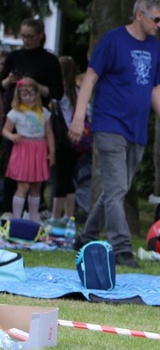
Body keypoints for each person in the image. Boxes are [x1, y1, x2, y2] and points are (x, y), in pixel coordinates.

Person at [68, 0, 160, 268]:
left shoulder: (153, 46)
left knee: (116, 189)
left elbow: (154, 89)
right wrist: (79, 117)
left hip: (137, 129)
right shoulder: (112, 40)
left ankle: (87, 236)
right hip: (109, 125)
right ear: (139, 16)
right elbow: (90, 77)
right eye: (156, 19)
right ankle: (122, 249)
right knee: (117, 191)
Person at [0, 19, 63, 216]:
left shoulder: (50, 61)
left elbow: (57, 93)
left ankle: (34, 210)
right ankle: (9, 210)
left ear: (40, 35)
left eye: (30, 36)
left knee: (36, 170)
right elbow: (1, 84)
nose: (26, 40)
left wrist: (35, 85)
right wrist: (9, 81)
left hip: (37, 119)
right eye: (23, 36)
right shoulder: (14, 56)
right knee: (13, 166)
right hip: (16, 116)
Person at [1, 79, 55, 221]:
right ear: (19, 96)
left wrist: (52, 152)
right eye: (25, 95)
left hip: (39, 150)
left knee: (36, 186)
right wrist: (12, 136)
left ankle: (33, 218)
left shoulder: (44, 112)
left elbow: (49, 132)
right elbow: (5, 130)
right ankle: (17, 219)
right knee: (23, 185)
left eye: (31, 95)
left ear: (37, 94)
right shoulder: (15, 113)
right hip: (23, 150)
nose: (29, 98)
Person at [49, 56, 80, 224]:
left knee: (59, 177)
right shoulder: (76, 91)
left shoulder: (58, 93)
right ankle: (69, 215)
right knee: (68, 177)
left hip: (60, 138)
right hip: (75, 140)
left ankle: (55, 215)